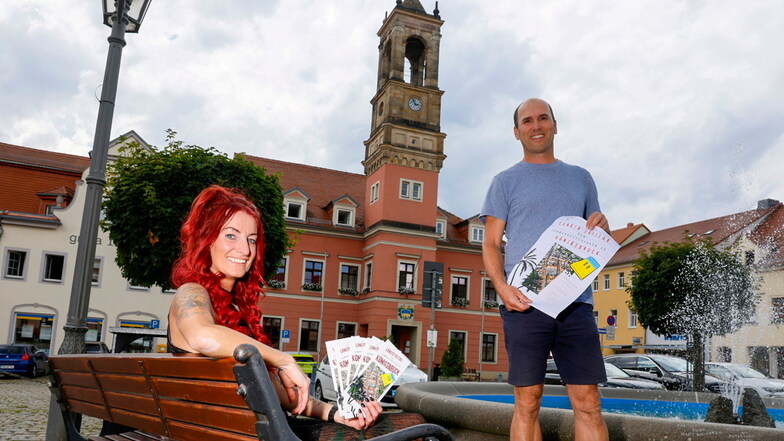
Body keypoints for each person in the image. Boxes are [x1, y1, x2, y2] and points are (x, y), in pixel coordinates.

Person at [167, 185, 381, 434]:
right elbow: (203, 337)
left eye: (251, 240)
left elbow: (286, 398)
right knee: (416, 425)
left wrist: (338, 414)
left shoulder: (234, 310)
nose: (245, 250)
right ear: (207, 240)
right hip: (249, 434)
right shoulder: (191, 293)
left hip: (256, 431)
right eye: (231, 235)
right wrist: (283, 360)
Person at [481, 98, 610, 441]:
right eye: (527, 121)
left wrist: (601, 225)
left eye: (543, 118)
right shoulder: (504, 181)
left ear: (555, 124)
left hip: (576, 302)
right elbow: (491, 243)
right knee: (528, 401)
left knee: (588, 402)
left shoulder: (581, 178)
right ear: (516, 131)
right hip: (524, 302)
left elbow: (592, 238)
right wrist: (502, 288)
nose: (535, 125)